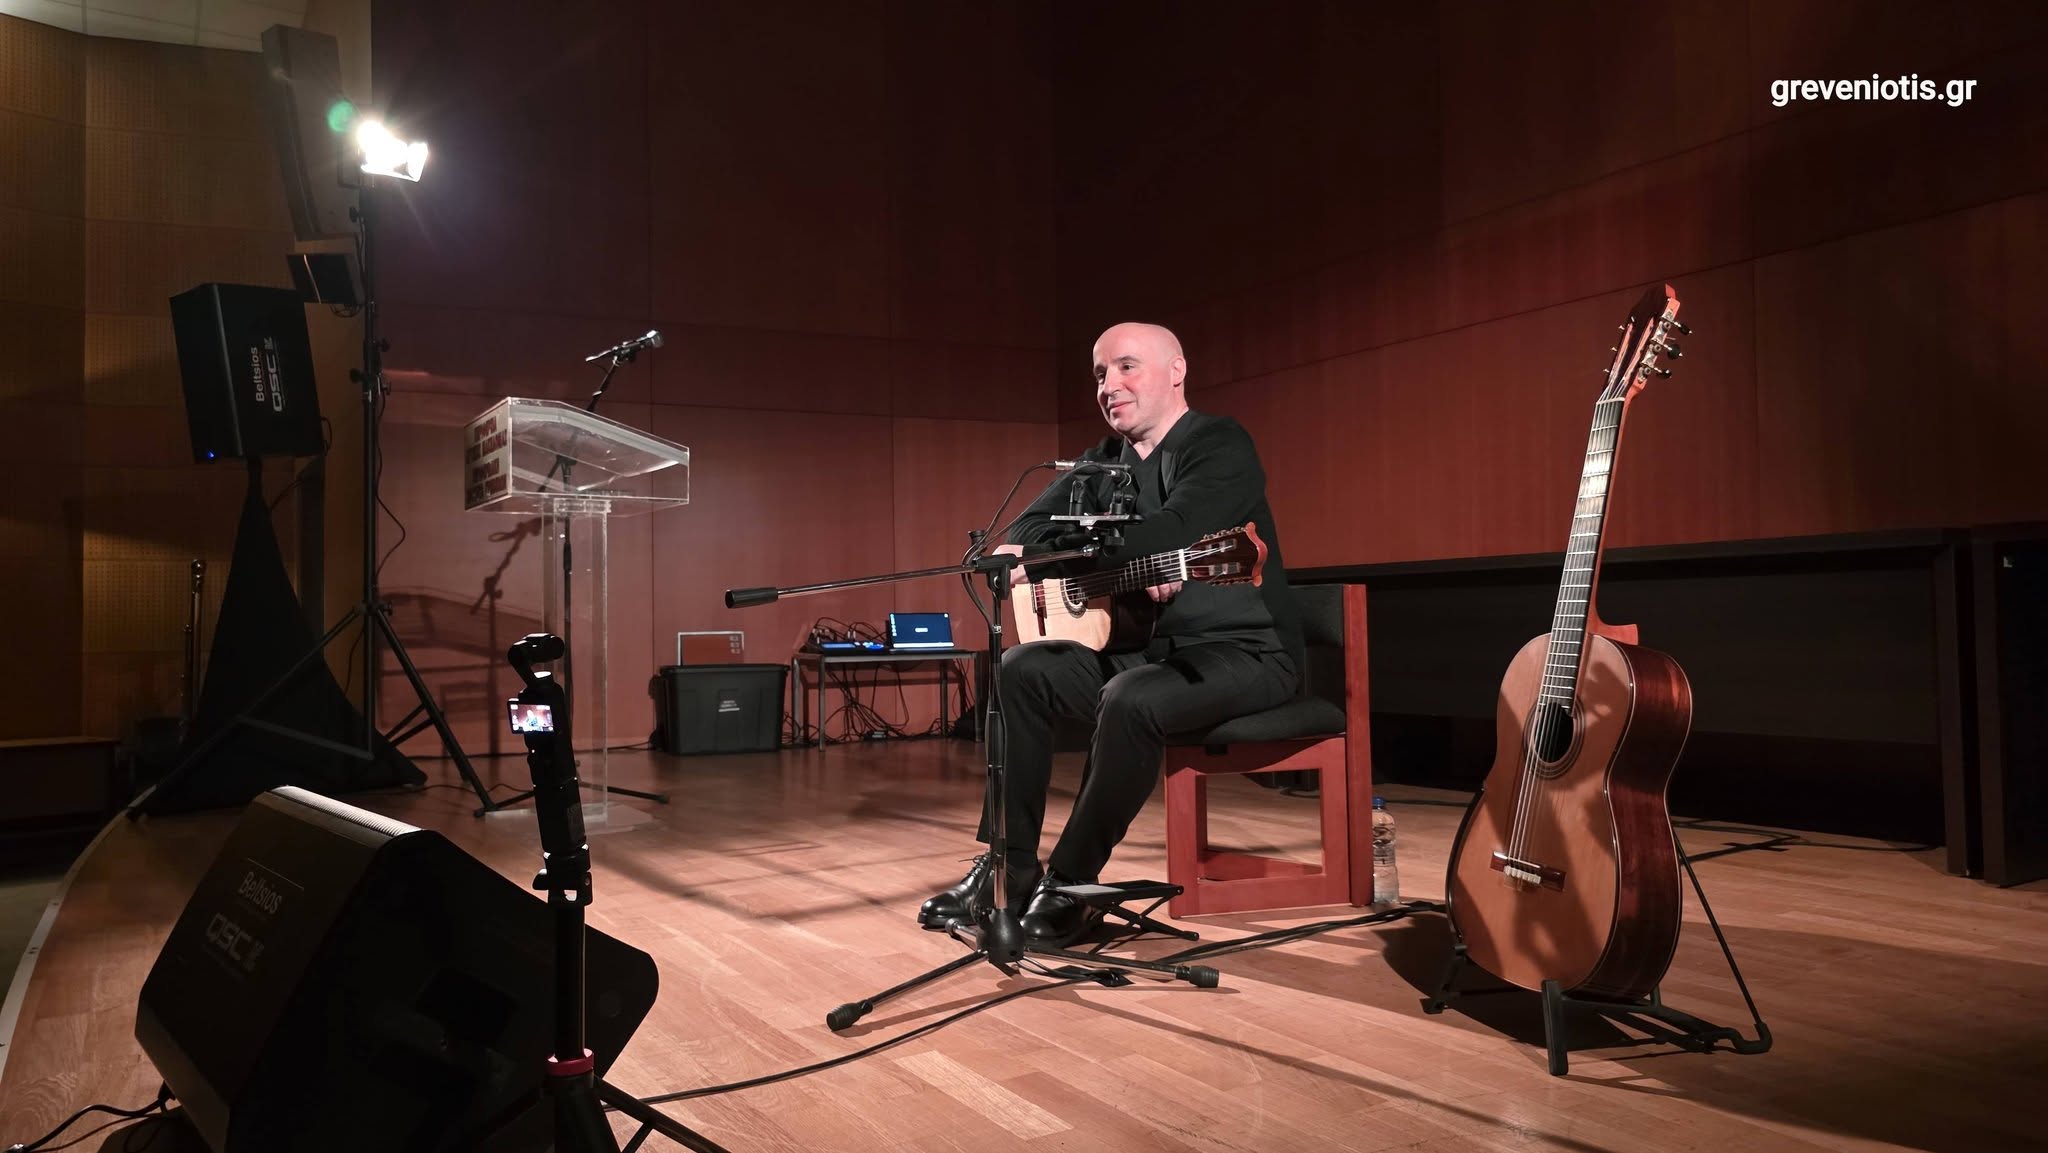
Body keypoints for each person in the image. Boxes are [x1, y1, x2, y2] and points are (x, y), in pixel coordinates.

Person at [919, 322, 1304, 944]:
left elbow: (1177, 526)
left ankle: (1071, 883)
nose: (1109, 385)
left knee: (1132, 697)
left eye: (1126, 367)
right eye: (1100, 374)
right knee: (1021, 668)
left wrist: (1099, 553)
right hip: (1144, 652)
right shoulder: (1101, 462)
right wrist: (1104, 559)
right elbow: (1024, 531)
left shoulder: (1219, 443)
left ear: (1176, 371)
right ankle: (1008, 869)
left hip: (1245, 653)